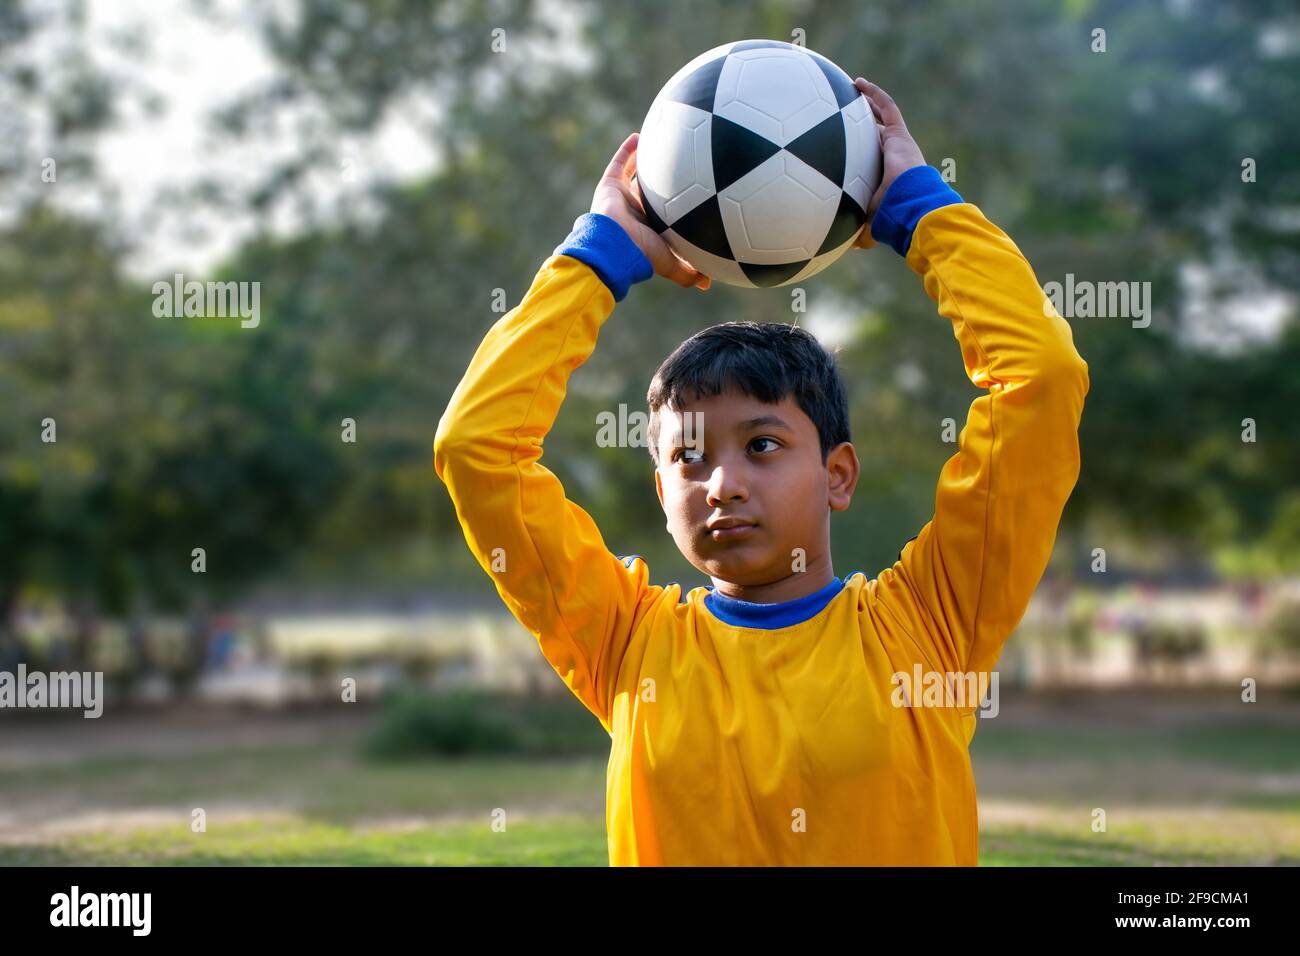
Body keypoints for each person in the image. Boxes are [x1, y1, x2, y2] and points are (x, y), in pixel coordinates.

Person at [434, 78, 1089, 865]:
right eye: (688, 457)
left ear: (838, 474)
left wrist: (923, 211)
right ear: (661, 490)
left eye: (764, 445)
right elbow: (476, 445)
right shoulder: (624, 644)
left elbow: (1041, 382)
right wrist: (598, 257)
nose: (723, 484)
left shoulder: (931, 629)